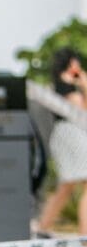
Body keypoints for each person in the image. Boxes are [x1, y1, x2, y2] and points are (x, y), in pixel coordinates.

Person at [36, 47, 87, 236]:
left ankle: (43, 227)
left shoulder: (61, 84)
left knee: (66, 186)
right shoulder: (66, 84)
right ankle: (84, 234)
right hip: (71, 133)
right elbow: (80, 110)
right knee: (78, 184)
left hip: (70, 133)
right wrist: (84, 85)